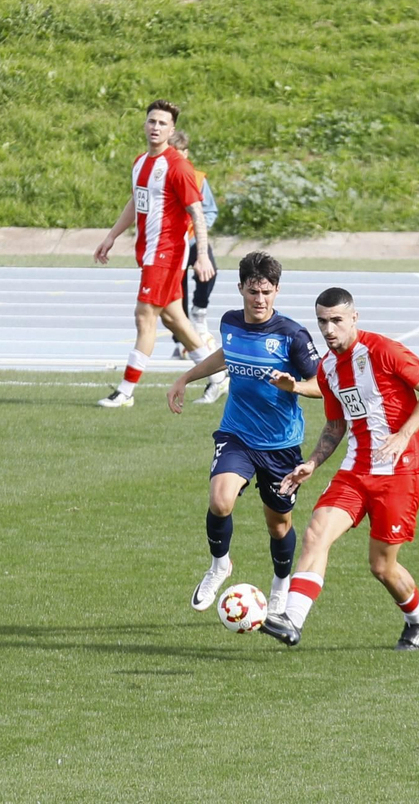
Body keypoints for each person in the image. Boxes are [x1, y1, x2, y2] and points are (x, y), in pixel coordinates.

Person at [260, 287, 419, 651]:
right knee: (316, 533)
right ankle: (292, 620)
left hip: (399, 474)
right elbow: (334, 426)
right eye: (322, 322)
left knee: (382, 567)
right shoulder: (327, 368)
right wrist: (311, 463)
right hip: (355, 471)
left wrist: (404, 435)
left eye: (336, 321)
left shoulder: (384, 351)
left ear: (354, 318)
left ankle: (418, 618)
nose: (329, 330)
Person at [166, 251, 320, 615]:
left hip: (281, 444)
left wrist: (293, 386)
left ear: (277, 291)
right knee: (220, 500)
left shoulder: (292, 336)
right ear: (241, 289)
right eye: (253, 291)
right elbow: (227, 354)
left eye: (267, 292)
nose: (260, 299)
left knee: (279, 525)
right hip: (237, 434)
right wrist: (186, 377)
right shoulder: (230, 323)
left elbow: (323, 385)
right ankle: (220, 565)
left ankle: (280, 585)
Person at [92, 100, 224, 408]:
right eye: (152, 121)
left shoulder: (177, 166)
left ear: (171, 130)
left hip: (166, 253)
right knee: (173, 318)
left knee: (144, 316)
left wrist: (201, 255)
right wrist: (111, 236)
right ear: (145, 124)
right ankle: (218, 376)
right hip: (149, 253)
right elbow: (135, 203)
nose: (156, 127)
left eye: (162, 124)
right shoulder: (140, 162)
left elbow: (197, 213)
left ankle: (125, 392)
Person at [166, 131, 222, 383]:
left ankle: (199, 313)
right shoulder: (162, 176)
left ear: (186, 154)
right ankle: (182, 338)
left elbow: (208, 210)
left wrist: (198, 229)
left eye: (178, 154)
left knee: (208, 271)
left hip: (192, 238)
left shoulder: (197, 178)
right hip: (170, 242)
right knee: (176, 288)